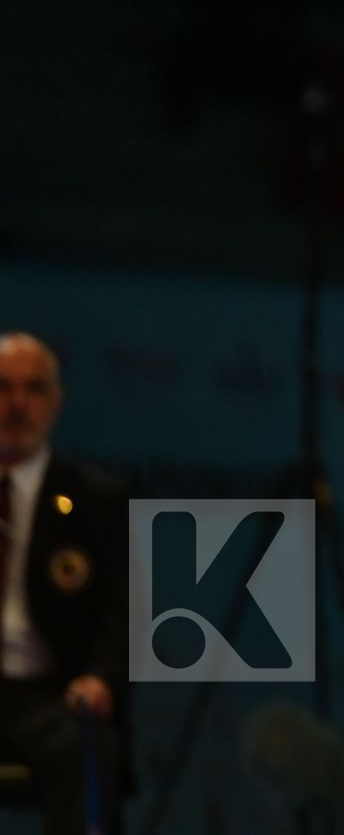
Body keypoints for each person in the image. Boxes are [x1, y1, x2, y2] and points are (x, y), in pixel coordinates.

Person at [0, 332, 127, 835]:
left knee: (85, 746)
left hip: (49, 695)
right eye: (3, 388)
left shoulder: (93, 498)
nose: (17, 403)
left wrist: (100, 678)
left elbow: (121, 614)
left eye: (33, 389)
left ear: (56, 402)